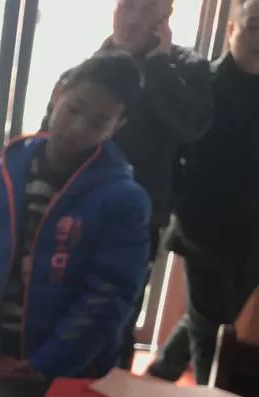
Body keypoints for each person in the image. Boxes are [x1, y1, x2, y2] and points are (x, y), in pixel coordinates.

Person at [0, 53, 151, 380]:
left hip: (70, 371)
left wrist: (47, 365)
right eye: (74, 109)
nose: (78, 127)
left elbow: (109, 294)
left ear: (118, 126)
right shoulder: (3, 175)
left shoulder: (124, 200)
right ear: (58, 93)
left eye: (98, 123)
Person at [49, 0, 213, 368]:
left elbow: (191, 127)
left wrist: (157, 65)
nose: (133, 18)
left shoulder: (186, 67)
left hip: (135, 221)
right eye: (127, 6)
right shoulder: (90, 67)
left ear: (164, 18)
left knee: (113, 323)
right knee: (55, 312)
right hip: (68, 211)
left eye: (147, 9)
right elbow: (51, 131)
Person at [148, 0, 259, 384]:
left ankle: (161, 373)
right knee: (212, 332)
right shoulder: (203, 83)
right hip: (202, 227)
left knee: (210, 316)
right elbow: (173, 145)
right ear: (232, 30)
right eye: (253, 26)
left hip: (254, 235)